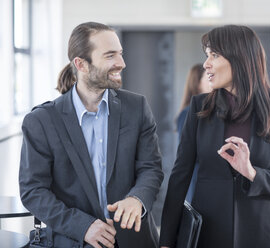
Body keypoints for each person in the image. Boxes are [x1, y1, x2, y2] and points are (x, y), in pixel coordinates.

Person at [19, 22, 163, 248]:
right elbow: (33, 191)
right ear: (81, 64)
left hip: (133, 240)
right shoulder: (41, 121)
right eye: (110, 55)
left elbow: (151, 168)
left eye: (121, 54)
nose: (122, 63)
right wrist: (83, 226)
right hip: (73, 240)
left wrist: (137, 199)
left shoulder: (137, 107)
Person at [160, 25, 270, 248]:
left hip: (259, 234)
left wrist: (252, 173)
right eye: (207, 55)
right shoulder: (198, 107)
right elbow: (180, 176)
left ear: (240, 58)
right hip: (206, 233)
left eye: (214, 55)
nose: (206, 63)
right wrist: (166, 241)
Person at [176, 63, 211, 202]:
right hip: (197, 181)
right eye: (208, 77)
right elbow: (186, 155)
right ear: (197, 84)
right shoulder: (188, 113)